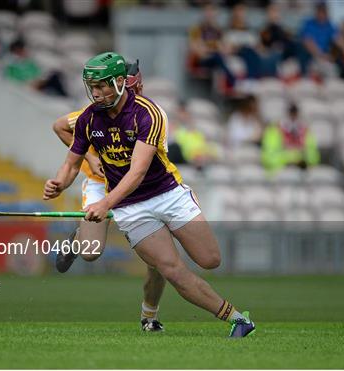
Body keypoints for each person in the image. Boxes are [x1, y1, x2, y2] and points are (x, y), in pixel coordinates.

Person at [44, 51, 255, 337]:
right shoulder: (87, 118)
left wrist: (105, 203)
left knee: (210, 259)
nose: (95, 93)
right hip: (131, 207)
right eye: (91, 87)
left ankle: (151, 308)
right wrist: (58, 182)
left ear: (120, 83)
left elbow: (138, 171)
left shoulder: (149, 113)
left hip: (166, 193)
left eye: (101, 86)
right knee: (171, 268)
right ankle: (237, 320)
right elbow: (71, 164)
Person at [52, 60, 167, 332]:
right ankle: (77, 239)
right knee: (91, 253)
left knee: (159, 263)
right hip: (100, 184)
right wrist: (90, 159)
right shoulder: (96, 112)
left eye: (132, 86)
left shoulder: (152, 115)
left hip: (140, 191)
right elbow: (60, 126)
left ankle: (148, 317)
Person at [261, 102, 320, 173]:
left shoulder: (305, 131)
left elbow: (313, 156)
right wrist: (290, 159)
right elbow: (269, 157)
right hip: (279, 172)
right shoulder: (274, 130)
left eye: (294, 113)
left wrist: (302, 160)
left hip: (302, 171)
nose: (293, 116)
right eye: (291, 113)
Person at [188, 4, 236, 87]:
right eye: (208, 12)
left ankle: (234, 84)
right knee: (218, 57)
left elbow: (227, 48)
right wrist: (216, 49)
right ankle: (234, 83)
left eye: (212, 12)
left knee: (230, 60)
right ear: (204, 13)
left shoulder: (218, 30)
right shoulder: (196, 29)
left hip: (218, 58)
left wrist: (214, 49)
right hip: (202, 61)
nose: (210, 14)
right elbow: (196, 49)